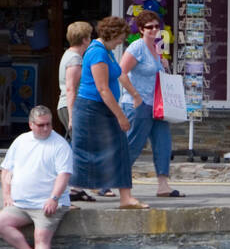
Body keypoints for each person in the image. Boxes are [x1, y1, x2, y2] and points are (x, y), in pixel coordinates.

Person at [0, 106, 73, 249]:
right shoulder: (21, 141)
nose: (46, 129)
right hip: (21, 203)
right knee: (0, 223)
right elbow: (6, 169)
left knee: (42, 237)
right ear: (31, 125)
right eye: (41, 125)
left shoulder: (60, 145)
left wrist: (54, 197)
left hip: (48, 203)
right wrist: (6, 194)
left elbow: (64, 175)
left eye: (49, 124)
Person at [71, 15, 145, 208]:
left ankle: (125, 198)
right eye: (121, 36)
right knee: (82, 153)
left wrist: (135, 95)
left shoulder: (107, 51)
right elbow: (102, 89)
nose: (122, 41)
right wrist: (121, 116)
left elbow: (119, 75)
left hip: (102, 108)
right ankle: (63, 195)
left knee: (120, 149)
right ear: (112, 34)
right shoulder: (97, 52)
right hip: (91, 109)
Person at [120, 11, 180, 198]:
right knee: (133, 144)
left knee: (163, 143)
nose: (154, 30)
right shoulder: (136, 47)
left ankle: (163, 185)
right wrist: (135, 95)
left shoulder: (157, 47)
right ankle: (112, 180)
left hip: (158, 105)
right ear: (140, 30)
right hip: (139, 103)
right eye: (149, 27)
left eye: (156, 26)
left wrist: (164, 65)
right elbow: (120, 73)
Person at [56, 20, 91, 137]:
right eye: (89, 37)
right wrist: (72, 117)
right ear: (84, 40)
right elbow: (71, 89)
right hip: (70, 105)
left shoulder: (69, 55)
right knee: (80, 142)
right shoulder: (75, 59)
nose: (90, 40)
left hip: (67, 105)